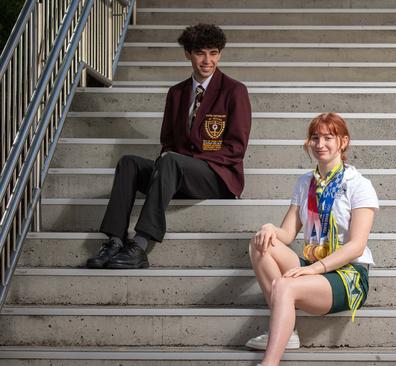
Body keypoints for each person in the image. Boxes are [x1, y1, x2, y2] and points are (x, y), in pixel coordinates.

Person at [86, 23, 252, 269]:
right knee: (129, 162)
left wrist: (188, 160)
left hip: (217, 176)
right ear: (188, 53)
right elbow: (168, 142)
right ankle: (114, 241)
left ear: (220, 54)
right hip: (177, 172)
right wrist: (173, 160)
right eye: (200, 53)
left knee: (171, 161)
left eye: (214, 53)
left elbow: (236, 148)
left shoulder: (234, 91)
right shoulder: (176, 93)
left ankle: (140, 246)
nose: (207, 60)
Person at [246, 113, 378, 366]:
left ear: (343, 142)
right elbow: (286, 234)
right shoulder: (305, 181)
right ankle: (287, 330)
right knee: (260, 243)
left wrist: (314, 270)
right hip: (314, 264)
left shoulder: (359, 185)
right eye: (315, 138)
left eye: (329, 137)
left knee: (284, 286)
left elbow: (356, 246)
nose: (320, 144)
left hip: (347, 274)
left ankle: (268, 363)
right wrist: (268, 228)